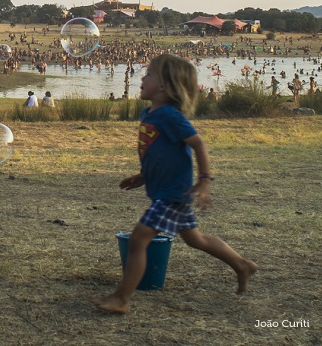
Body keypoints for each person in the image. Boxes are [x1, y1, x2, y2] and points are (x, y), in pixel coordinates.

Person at [93, 55, 257, 314]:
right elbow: (159, 152)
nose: (142, 78)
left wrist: (204, 181)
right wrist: (143, 175)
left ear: (164, 87)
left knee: (138, 240)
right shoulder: (149, 113)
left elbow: (198, 144)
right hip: (167, 190)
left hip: (173, 194)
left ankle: (122, 298)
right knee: (196, 239)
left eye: (148, 74)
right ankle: (242, 264)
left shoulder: (171, 116)